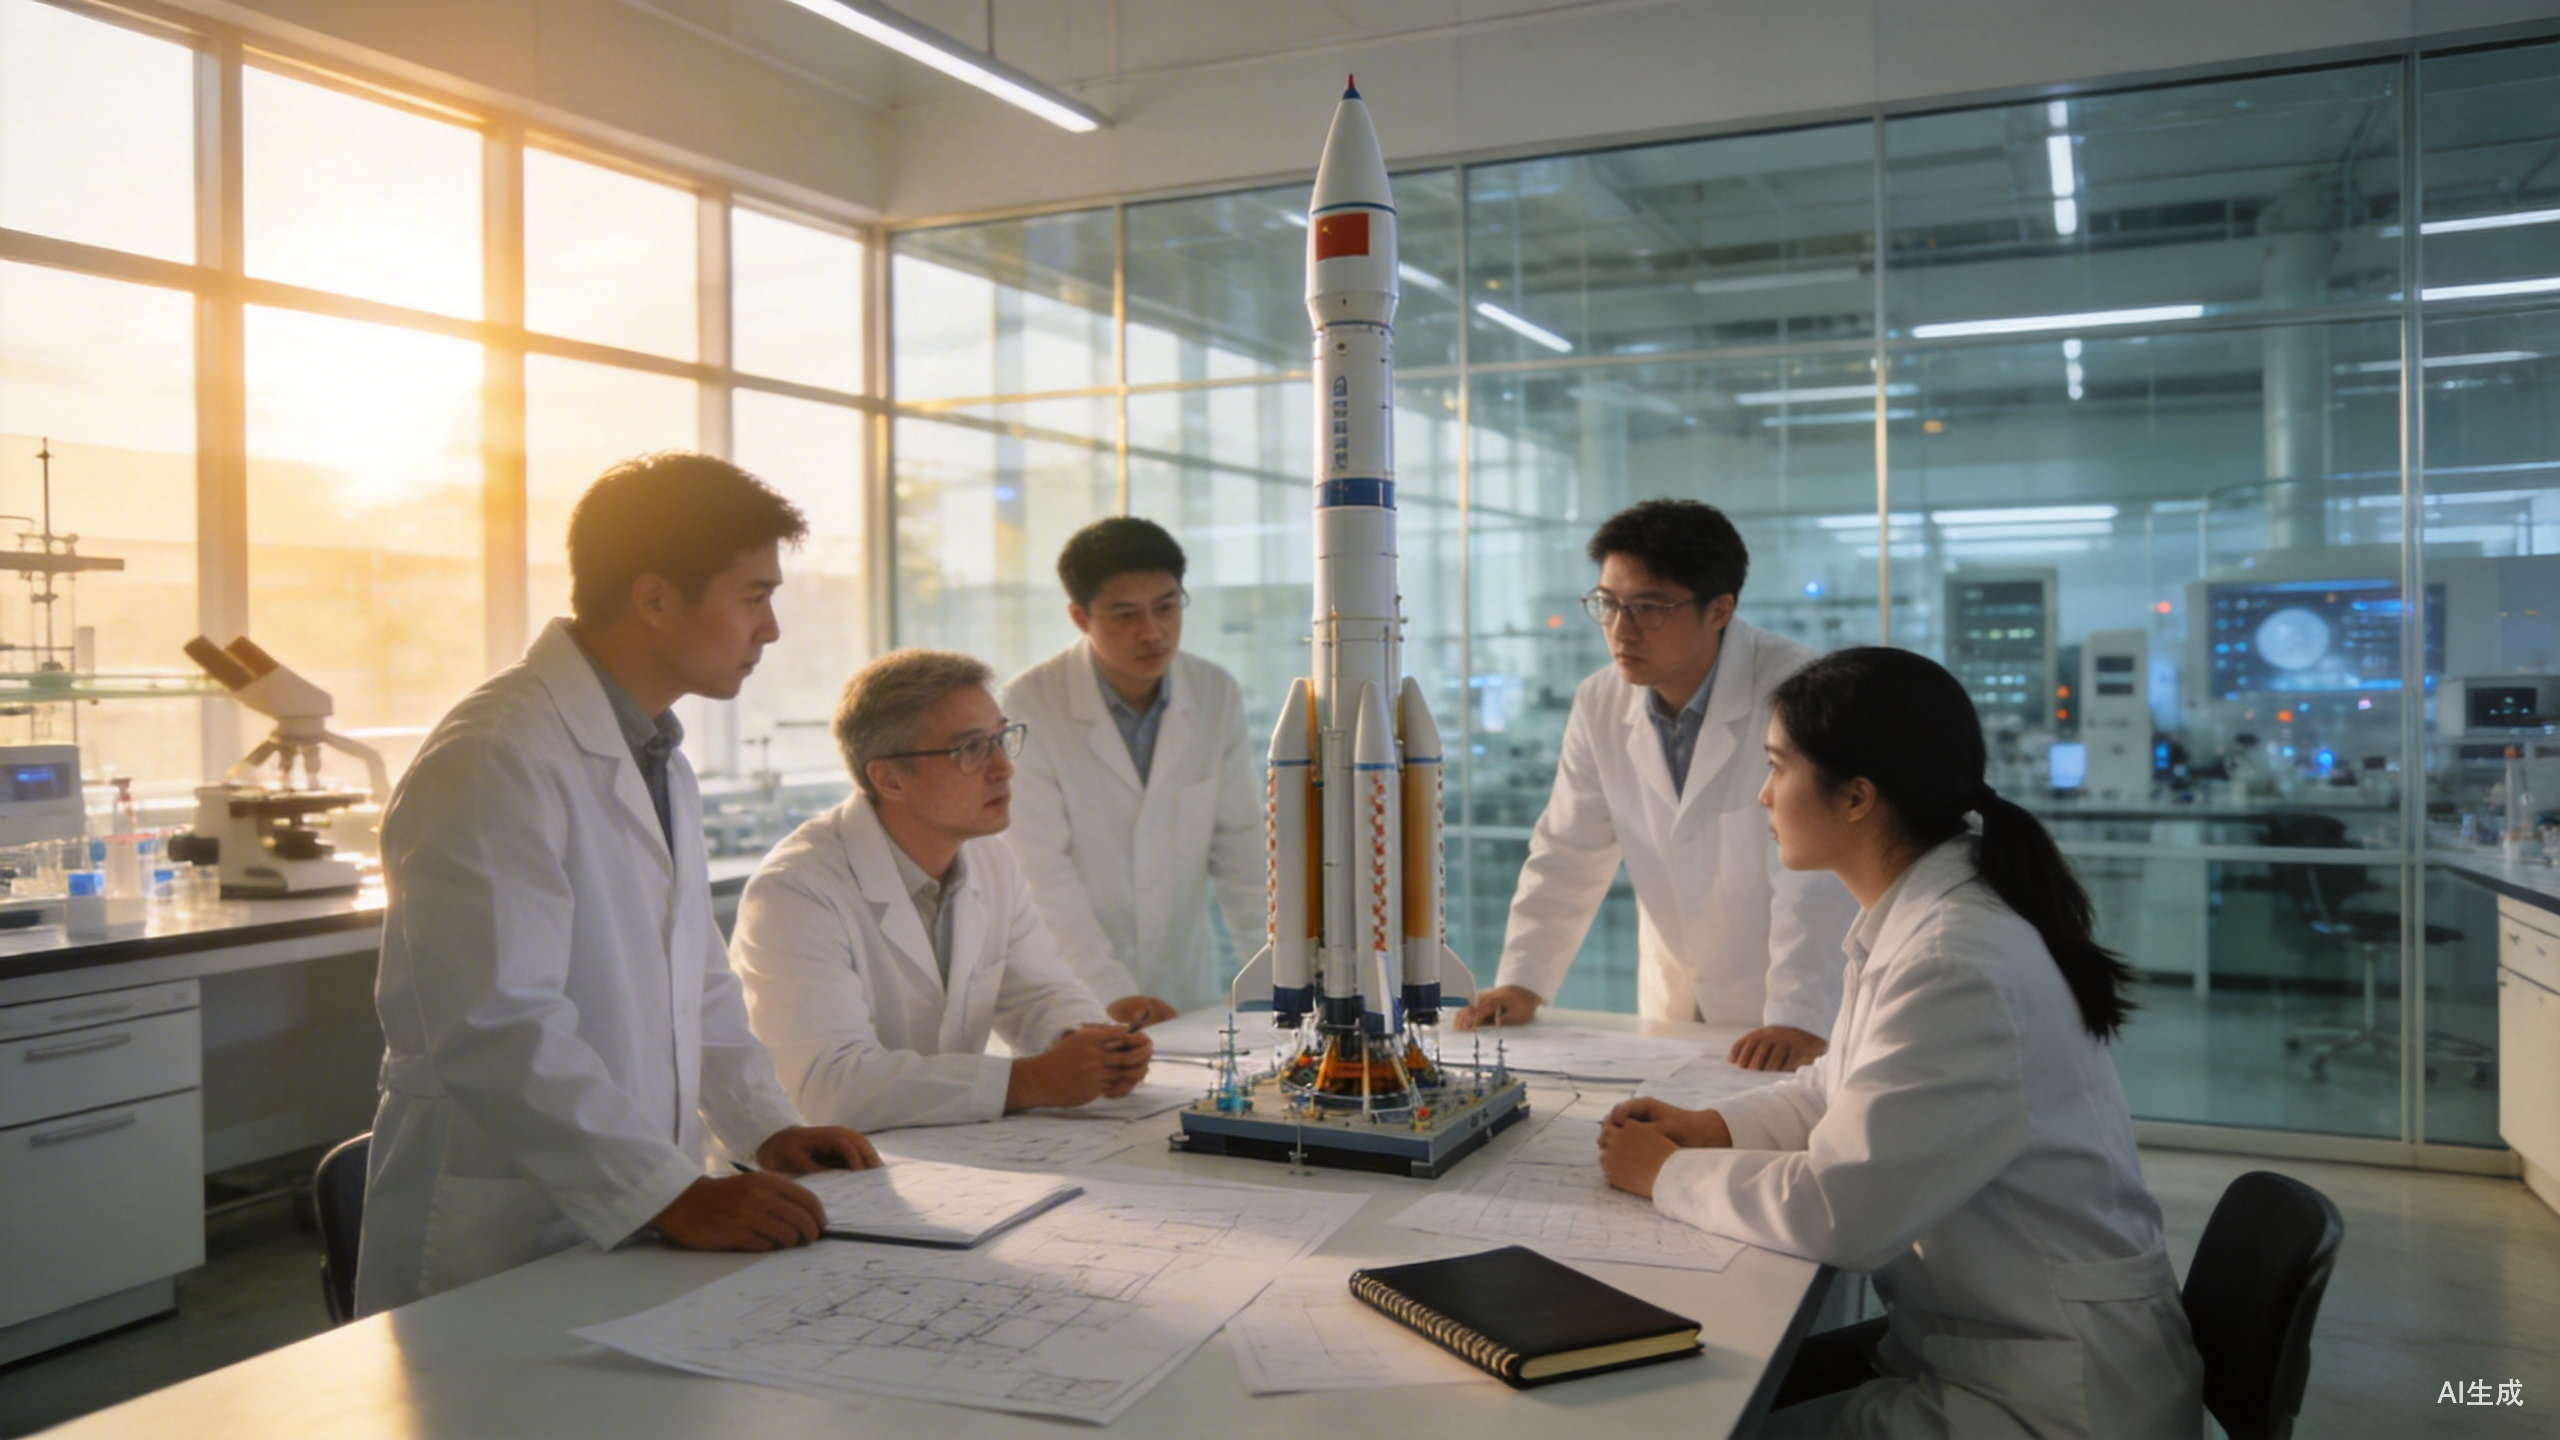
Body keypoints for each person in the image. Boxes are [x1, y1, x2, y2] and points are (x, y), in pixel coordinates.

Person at [1595, 647, 2204, 1439]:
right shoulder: (1924, 915)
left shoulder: (1955, 958)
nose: (1762, 794)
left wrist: (1669, 1174)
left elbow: (1843, 1212)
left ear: (1856, 797)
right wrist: (1710, 1127)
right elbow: (1839, 1090)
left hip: (2053, 1395)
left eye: (1776, 767)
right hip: (1984, 1345)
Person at [358, 452, 879, 1317]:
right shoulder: (497, 754)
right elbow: (497, 1023)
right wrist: (666, 1193)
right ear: (655, 600)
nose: (771, 630)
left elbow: (697, 978)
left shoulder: (655, 752)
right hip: (502, 1229)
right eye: (754, 597)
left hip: (637, 1206)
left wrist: (765, 1127)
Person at [1454, 499, 1856, 1072]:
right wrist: (1523, 980)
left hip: (1785, 1008)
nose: (1621, 629)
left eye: (1647, 607)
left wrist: (1800, 1014)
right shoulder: (1599, 700)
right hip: (1673, 1002)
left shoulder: (1797, 691)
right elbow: (1568, 851)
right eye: (1608, 604)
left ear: (1719, 610)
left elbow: (1815, 876)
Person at [732, 649, 1154, 1133]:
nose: (1004, 769)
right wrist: (1028, 1081)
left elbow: (1039, 993)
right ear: (889, 779)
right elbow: (830, 1087)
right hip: (822, 1166)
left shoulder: (990, 858)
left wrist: (1091, 1042)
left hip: (941, 1152)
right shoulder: (796, 892)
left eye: (1001, 739)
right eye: (971, 750)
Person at [1000, 518, 1264, 1024]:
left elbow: (1241, 849)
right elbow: (1041, 872)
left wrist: (1278, 979)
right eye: (1125, 615)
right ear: (1080, 617)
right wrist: (1111, 991)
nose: (1153, 632)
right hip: (1078, 991)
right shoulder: (1030, 703)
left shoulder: (1214, 692)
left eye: (1166, 607)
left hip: (1185, 988)